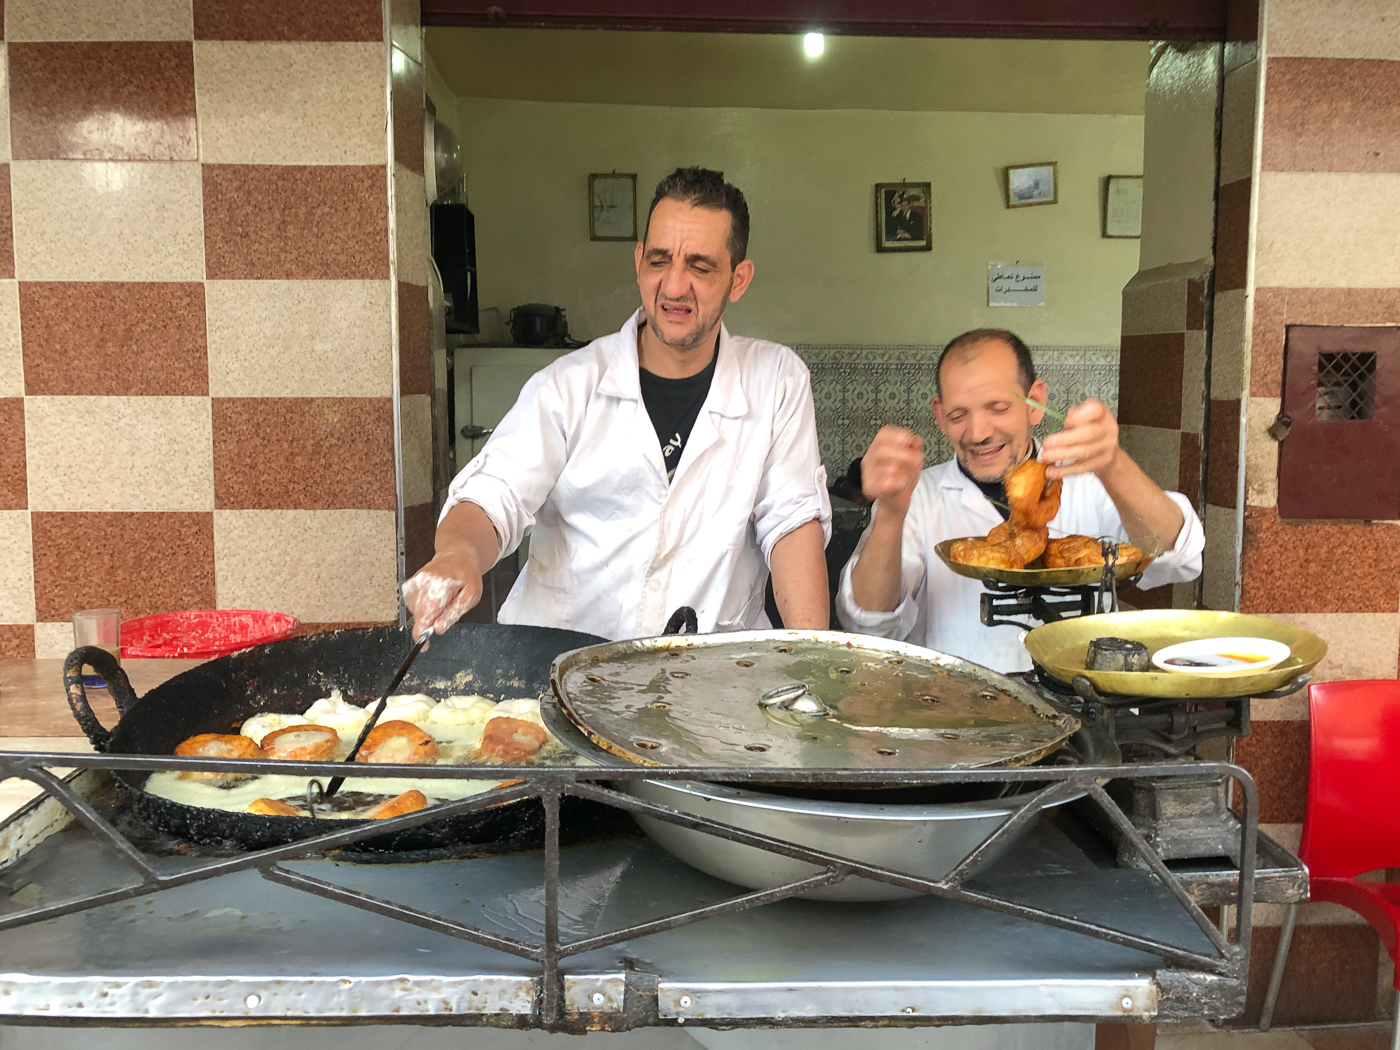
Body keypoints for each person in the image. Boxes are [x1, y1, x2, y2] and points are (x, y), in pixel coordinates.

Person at [404, 167, 831, 641]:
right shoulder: (569, 386)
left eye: (700, 266)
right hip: (556, 671)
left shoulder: (776, 381)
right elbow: (494, 494)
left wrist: (812, 658)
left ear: (738, 278)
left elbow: (791, 524)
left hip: (705, 679)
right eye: (659, 260)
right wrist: (458, 555)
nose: (673, 286)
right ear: (637, 261)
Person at [835, 328, 1204, 672]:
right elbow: (869, 625)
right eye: (958, 415)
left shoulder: (1091, 481)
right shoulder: (920, 497)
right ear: (940, 417)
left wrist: (1114, 465)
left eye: (998, 408)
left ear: (1035, 403)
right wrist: (890, 514)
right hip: (959, 722)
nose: (978, 433)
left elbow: (1181, 558)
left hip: (1081, 717)